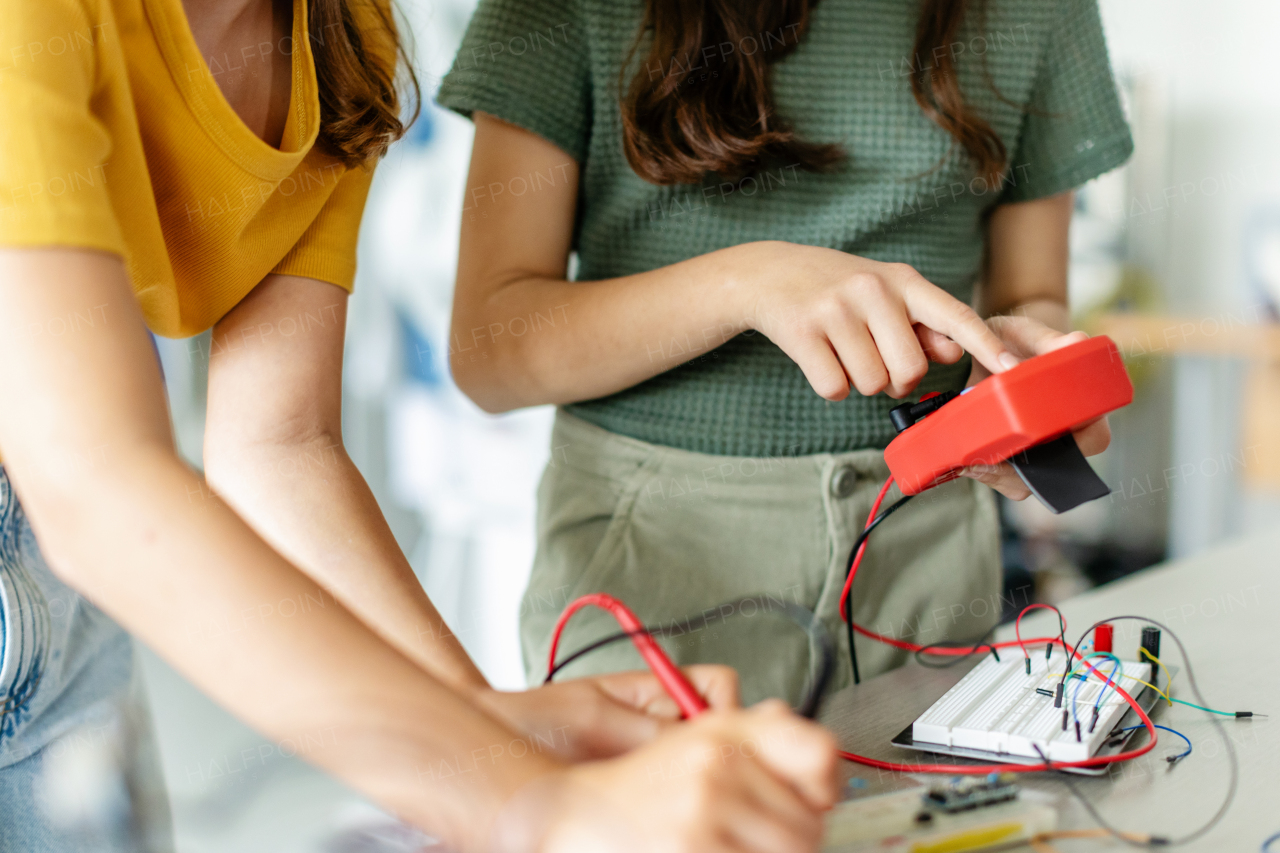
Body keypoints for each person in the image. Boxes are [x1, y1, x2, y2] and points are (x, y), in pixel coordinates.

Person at [0, 0, 839, 850]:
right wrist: (530, 804)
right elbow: (89, 477)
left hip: (48, 601)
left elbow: (276, 445)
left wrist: (485, 734)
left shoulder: (340, 35)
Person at [439, 0, 1129, 704]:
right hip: (655, 562)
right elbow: (489, 351)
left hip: (931, 557)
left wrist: (1022, 367)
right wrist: (747, 283)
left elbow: (1033, 294)